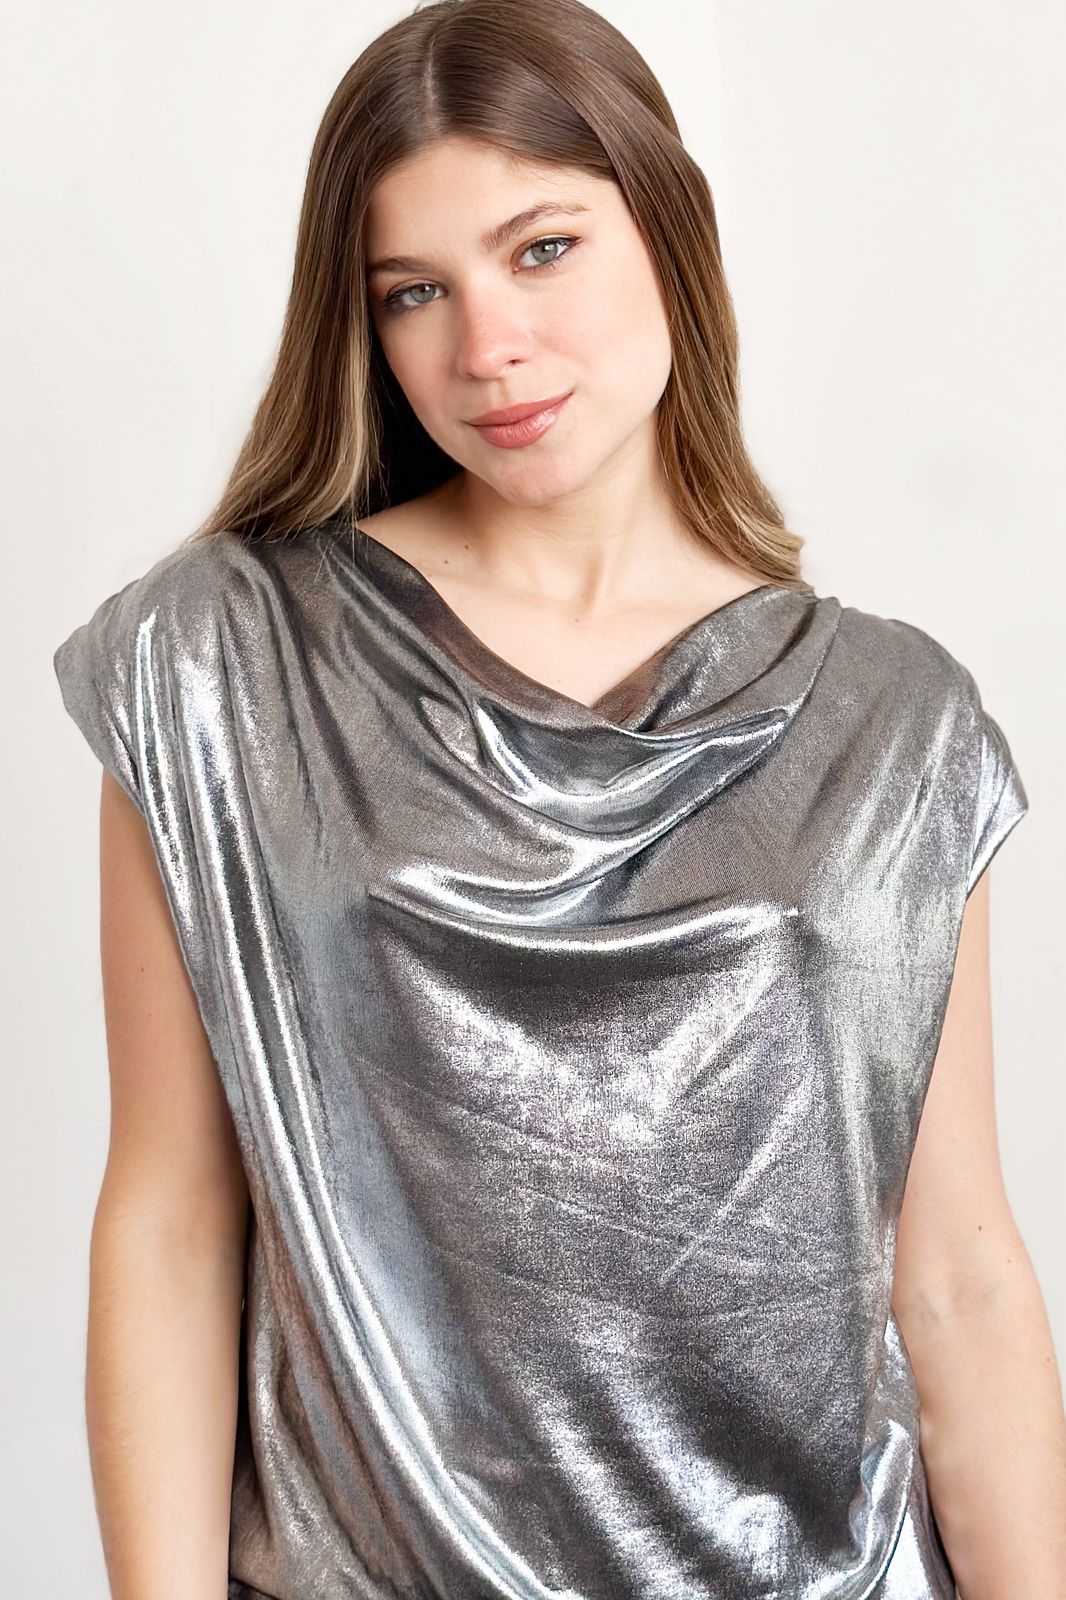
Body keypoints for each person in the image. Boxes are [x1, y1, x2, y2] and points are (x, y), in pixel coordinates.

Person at [52, 0, 1066, 1596]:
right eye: (413, 291)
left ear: (667, 226)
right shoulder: (216, 665)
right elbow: (173, 1224)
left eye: (542, 250)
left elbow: (954, 1277)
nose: (486, 348)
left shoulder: (892, 720)